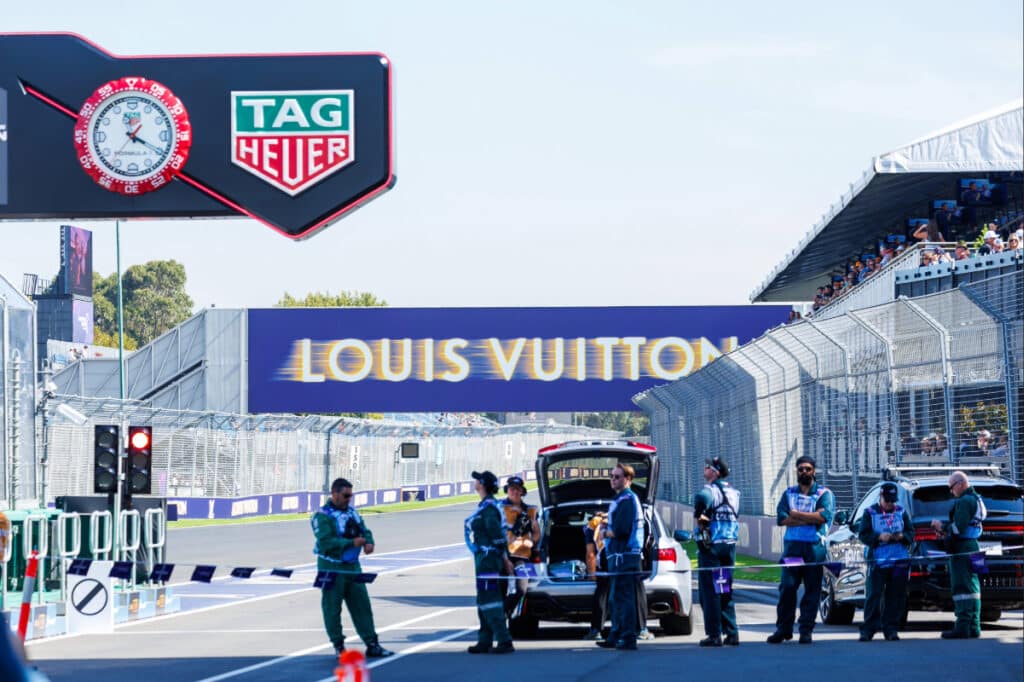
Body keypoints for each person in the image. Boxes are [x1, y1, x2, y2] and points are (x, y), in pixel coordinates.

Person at [312, 478, 394, 659]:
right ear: (334, 494)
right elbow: (325, 542)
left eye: (350, 495)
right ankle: (338, 645)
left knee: (362, 605)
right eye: (345, 495)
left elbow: (365, 530)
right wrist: (351, 542)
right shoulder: (322, 515)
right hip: (330, 567)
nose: (349, 499)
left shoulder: (352, 513)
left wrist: (369, 543)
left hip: (353, 567)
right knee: (332, 608)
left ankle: (372, 643)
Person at [768, 455, 834, 645]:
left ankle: (806, 630)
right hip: (792, 549)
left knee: (812, 591)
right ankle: (783, 629)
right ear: (796, 471)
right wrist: (810, 517)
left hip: (814, 549)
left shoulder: (824, 493)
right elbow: (781, 519)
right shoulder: (789, 493)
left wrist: (796, 514)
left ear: (814, 471)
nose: (804, 472)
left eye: (807, 469)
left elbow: (823, 517)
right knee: (787, 588)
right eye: (800, 469)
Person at [931, 471, 987, 639]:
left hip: (962, 548)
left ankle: (962, 627)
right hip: (975, 546)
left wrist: (942, 527)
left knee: (961, 586)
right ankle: (974, 626)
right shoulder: (976, 498)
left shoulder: (964, 501)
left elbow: (958, 528)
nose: (951, 491)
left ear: (960, 483)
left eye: (951, 487)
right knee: (974, 587)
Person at [465, 470, 515, 654]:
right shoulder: (486, 506)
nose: (475, 482)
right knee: (483, 599)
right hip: (484, 559)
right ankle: (484, 640)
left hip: (488, 560)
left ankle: (504, 639)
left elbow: (498, 536)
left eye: (478, 480)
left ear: (483, 484)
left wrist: (505, 559)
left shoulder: (488, 509)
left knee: (490, 599)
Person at [693, 457, 741, 647]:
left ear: (715, 472)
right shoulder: (735, 492)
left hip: (712, 546)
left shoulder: (710, 489)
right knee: (725, 589)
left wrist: (699, 516)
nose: (704, 469)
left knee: (710, 592)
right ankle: (732, 632)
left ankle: (714, 634)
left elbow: (701, 500)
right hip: (729, 545)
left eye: (707, 467)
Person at [857, 482, 913, 641]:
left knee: (896, 595)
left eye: (892, 500)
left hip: (899, 559)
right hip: (878, 560)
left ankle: (891, 628)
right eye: (887, 500)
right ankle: (868, 629)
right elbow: (863, 534)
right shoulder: (870, 512)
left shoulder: (901, 512)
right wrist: (878, 537)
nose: (890, 504)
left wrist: (903, 536)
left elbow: (911, 533)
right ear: (881, 497)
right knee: (874, 594)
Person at [596, 463, 644, 650]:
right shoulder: (621, 499)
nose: (613, 480)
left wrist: (604, 532)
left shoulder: (627, 499)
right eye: (612, 476)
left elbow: (622, 530)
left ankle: (628, 637)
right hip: (617, 556)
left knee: (623, 598)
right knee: (615, 598)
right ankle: (615, 636)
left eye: (617, 476)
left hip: (625, 555)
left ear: (628, 479)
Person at [500, 475, 540, 618]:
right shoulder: (499, 508)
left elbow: (536, 533)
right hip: (501, 556)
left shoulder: (530, 511)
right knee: (498, 593)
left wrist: (533, 542)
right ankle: (499, 624)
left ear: (522, 491)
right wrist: (505, 559)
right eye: (511, 489)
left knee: (522, 589)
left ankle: (503, 614)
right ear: (507, 490)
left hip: (523, 557)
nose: (514, 492)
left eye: (517, 489)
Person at [582, 511, 610, 640]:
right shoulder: (621, 518)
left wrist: (592, 574)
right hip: (623, 559)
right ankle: (636, 629)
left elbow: (590, 554)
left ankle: (596, 630)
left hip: (605, 560)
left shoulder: (592, 526)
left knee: (602, 592)